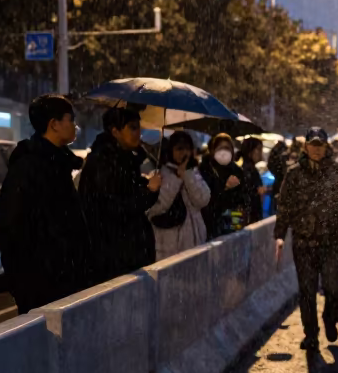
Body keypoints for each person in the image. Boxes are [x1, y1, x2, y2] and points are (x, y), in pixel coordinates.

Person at [0, 94, 93, 313]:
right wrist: (23, 283)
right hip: (43, 286)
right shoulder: (29, 167)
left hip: (67, 280)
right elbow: (13, 228)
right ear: (54, 124)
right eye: (71, 119)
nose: (75, 126)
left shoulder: (58, 163)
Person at [274, 128, 338, 351]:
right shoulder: (294, 174)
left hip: (331, 243)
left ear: (326, 146)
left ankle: (330, 318)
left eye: (320, 145)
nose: (316, 149)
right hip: (303, 244)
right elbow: (284, 207)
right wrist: (279, 236)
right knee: (307, 292)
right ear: (305, 146)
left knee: (333, 289)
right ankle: (310, 334)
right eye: (313, 144)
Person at [78, 107, 162, 282]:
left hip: (125, 257)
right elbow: (118, 208)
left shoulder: (123, 160)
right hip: (115, 260)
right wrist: (149, 191)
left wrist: (146, 187)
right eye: (132, 127)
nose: (138, 132)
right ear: (115, 131)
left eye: (139, 127)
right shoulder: (105, 163)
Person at [146, 131, 211, 261]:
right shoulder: (159, 174)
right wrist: (176, 179)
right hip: (168, 246)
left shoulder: (194, 173)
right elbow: (157, 206)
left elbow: (203, 200)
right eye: (179, 148)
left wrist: (187, 175)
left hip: (194, 242)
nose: (184, 152)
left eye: (187, 148)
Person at [199, 133, 247, 239]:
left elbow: (240, 202)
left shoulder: (237, 171)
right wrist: (224, 189)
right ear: (212, 150)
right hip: (211, 225)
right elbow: (206, 202)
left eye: (228, 148)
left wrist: (237, 225)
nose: (224, 152)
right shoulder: (205, 170)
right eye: (221, 148)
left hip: (232, 223)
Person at [239, 136, 265, 224]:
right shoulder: (249, 171)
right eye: (258, 149)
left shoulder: (248, 169)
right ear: (250, 152)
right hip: (251, 216)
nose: (261, 153)